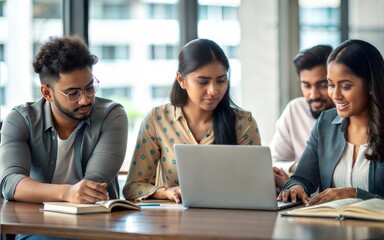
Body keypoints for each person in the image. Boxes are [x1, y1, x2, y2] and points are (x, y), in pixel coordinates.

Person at [278, 39, 384, 207]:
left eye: (346, 86)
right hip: (330, 230)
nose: (335, 95)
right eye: (331, 84)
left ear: (370, 84)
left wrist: (355, 194)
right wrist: (296, 187)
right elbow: (301, 178)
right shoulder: (326, 123)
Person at [123, 39, 261, 203]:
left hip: (229, 219)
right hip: (173, 221)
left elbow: (257, 185)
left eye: (221, 80)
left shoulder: (243, 123)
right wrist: (166, 192)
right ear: (181, 80)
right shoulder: (158, 120)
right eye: (203, 82)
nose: (213, 91)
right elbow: (133, 187)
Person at [0, 36, 128, 204]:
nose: (85, 99)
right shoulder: (21, 120)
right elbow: (10, 183)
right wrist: (67, 193)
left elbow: (94, 186)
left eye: (89, 88)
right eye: (72, 93)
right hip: (36, 223)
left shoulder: (111, 116)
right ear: (47, 93)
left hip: (95, 223)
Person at [270, 45, 334, 191]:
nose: (314, 94)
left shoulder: (346, 115)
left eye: (322, 85)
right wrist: (298, 168)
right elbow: (274, 161)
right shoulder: (294, 110)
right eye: (306, 86)